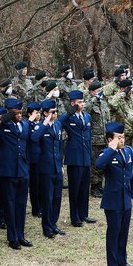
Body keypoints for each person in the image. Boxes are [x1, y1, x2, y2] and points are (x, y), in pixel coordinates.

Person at [0, 98, 33, 250]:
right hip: (7, 171)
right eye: (15, 113)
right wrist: (0, 120)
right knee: (10, 205)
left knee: (21, 205)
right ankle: (12, 238)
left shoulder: (25, 125)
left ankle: (21, 235)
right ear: (9, 113)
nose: (19, 116)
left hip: (22, 171)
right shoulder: (2, 127)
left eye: (20, 113)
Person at [96, 122, 133, 266]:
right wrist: (111, 148)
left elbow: (131, 174)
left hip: (125, 199)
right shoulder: (106, 153)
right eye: (118, 138)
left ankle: (122, 260)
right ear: (109, 140)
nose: (122, 141)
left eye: (123, 137)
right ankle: (112, 265)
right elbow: (98, 165)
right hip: (112, 200)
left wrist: (132, 193)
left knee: (124, 232)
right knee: (113, 232)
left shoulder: (128, 152)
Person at [58, 90, 95, 227]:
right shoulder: (69, 117)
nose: (82, 104)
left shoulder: (87, 117)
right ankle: (75, 217)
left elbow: (88, 137)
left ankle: (83, 214)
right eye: (79, 102)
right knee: (75, 188)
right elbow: (58, 123)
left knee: (85, 187)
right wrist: (69, 112)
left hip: (85, 156)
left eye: (82, 101)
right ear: (73, 103)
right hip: (74, 157)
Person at [30, 99, 66, 238]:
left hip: (56, 167)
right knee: (47, 198)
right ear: (45, 113)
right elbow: (34, 138)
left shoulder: (57, 125)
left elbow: (59, 146)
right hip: (45, 168)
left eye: (56, 111)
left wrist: (61, 165)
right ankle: (47, 228)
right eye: (52, 112)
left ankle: (53, 224)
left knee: (57, 198)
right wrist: (45, 123)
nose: (55, 114)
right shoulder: (40, 126)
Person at [84, 80, 110, 197]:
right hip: (95, 139)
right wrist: (94, 99)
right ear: (92, 92)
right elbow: (85, 112)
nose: (100, 93)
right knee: (94, 164)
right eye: (98, 91)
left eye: (101, 90)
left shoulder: (104, 103)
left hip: (104, 138)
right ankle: (94, 187)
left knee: (102, 163)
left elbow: (107, 119)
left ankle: (100, 185)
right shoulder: (89, 102)